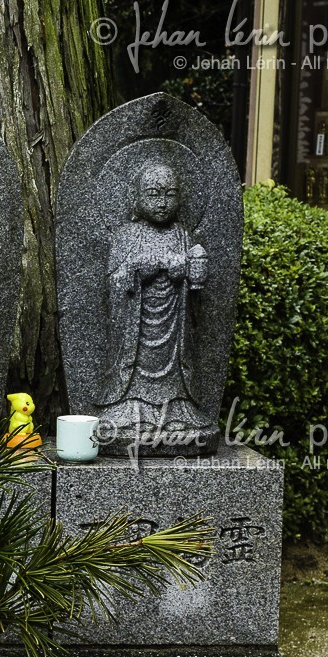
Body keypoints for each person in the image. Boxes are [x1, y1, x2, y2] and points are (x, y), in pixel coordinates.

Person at [97, 161, 213, 445]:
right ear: (137, 197)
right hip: (136, 330)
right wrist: (140, 267)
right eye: (153, 194)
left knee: (175, 376)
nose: (162, 203)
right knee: (133, 384)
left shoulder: (182, 235)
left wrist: (191, 274)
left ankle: (175, 409)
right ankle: (131, 407)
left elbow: (195, 290)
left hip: (174, 328)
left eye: (170, 194)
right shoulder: (126, 235)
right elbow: (114, 284)